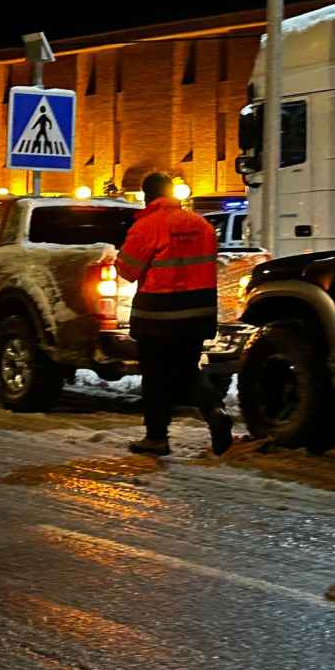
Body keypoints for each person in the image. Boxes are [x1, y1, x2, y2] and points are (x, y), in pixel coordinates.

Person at [116, 172, 233, 457]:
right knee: (186, 370)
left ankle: (156, 437)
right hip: (198, 312)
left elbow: (127, 270)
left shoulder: (148, 226)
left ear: (147, 195)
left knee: (156, 376)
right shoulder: (202, 224)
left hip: (159, 314)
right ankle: (215, 411)